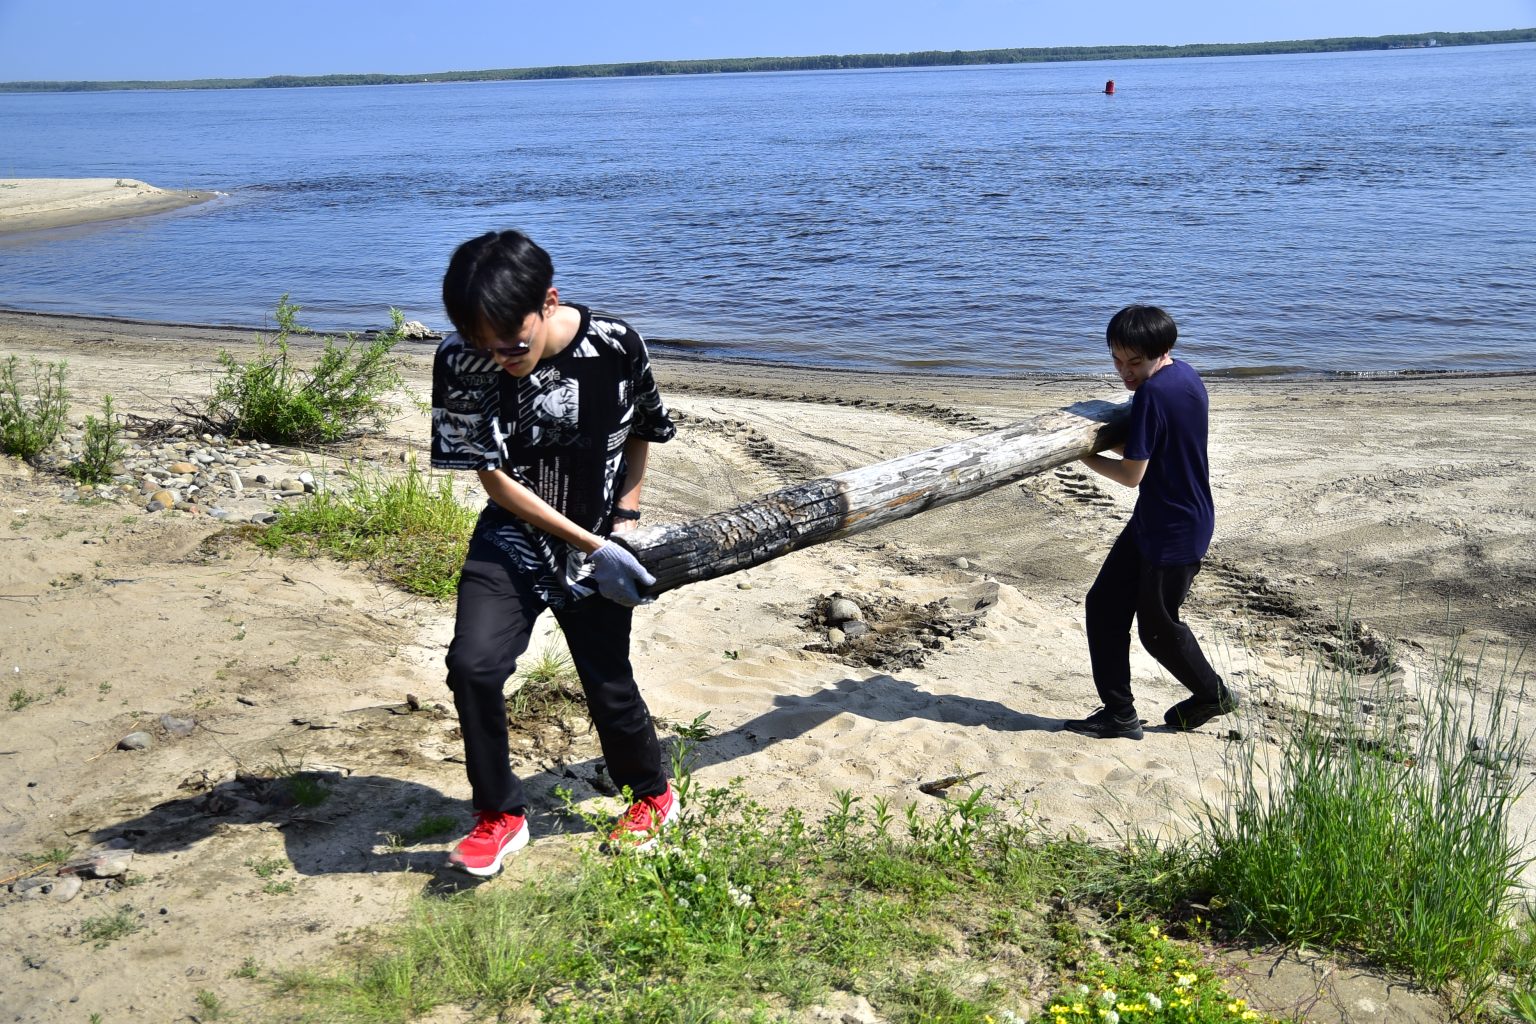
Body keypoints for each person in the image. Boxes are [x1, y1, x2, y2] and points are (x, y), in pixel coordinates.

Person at [431, 229, 678, 875]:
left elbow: (642, 432)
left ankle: (652, 796)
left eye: (513, 343)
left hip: (603, 533)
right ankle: (500, 814)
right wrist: (593, 543)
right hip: (514, 531)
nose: (499, 358)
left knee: (607, 680)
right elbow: (492, 476)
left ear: (549, 301)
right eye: (483, 344)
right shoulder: (460, 357)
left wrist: (624, 521)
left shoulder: (615, 343)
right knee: (473, 667)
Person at [1062, 305, 1239, 741]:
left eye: (1134, 363)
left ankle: (1212, 695)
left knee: (1158, 630)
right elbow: (1155, 438)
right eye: (1117, 360)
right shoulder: (1185, 376)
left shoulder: (1154, 394)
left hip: (1174, 528)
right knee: (1103, 605)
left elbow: (1131, 475)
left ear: (1162, 351)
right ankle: (1119, 713)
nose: (1124, 371)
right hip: (1159, 518)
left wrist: (1083, 453)